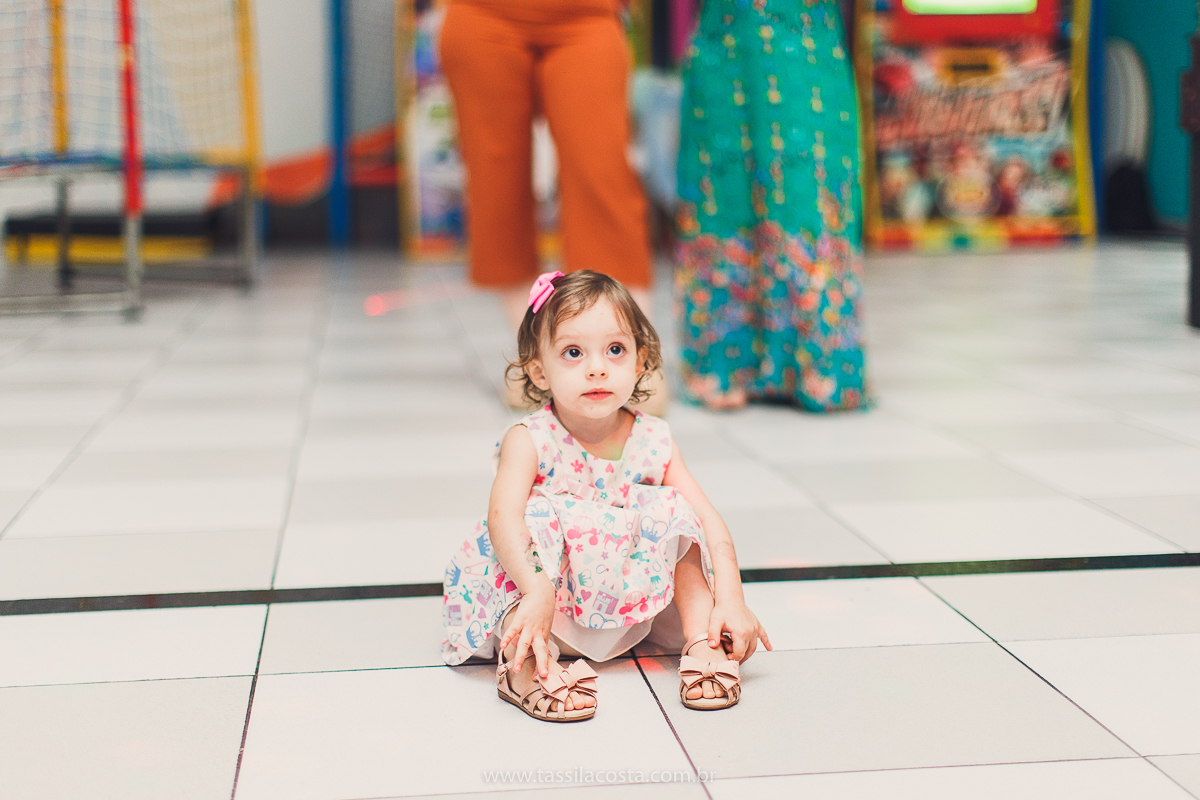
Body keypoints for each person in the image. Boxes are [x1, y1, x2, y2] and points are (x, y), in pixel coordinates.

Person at [441, 270, 770, 721]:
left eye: (615, 350)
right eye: (573, 353)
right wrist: (537, 589)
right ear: (539, 369)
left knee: (674, 510)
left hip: (625, 596)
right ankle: (523, 664)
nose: (597, 368)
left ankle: (703, 638)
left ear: (640, 361)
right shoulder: (530, 439)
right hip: (546, 599)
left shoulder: (654, 439)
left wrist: (731, 597)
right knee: (535, 518)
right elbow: (503, 519)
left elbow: (707, 521)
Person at [674, 0, 870, 412]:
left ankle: (817, 359)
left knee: (805, 190)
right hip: (725, 37)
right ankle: (728, 360)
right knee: (724, 191)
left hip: (803, 30)